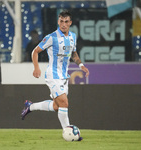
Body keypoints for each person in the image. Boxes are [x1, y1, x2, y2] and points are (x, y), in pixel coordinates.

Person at [21, 10, 89, 141]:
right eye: (61, 21)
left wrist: (81, 65)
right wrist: (36, 68)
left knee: (57, 106)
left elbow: (73, 53)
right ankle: (69, 133)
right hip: (53, 75)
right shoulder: (51, 37)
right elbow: (35, 51)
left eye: (66, 22)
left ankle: (30, 106)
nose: (63, 24)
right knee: (64, 102)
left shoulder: (73, 36)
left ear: (70, 23)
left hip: (64, 76)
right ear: (58, 22)